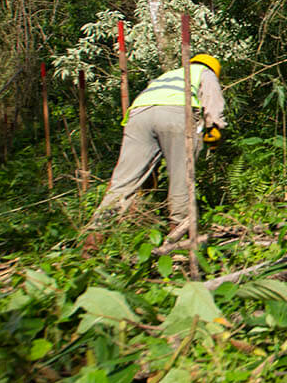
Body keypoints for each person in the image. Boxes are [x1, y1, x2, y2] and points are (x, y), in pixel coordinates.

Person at [85, 54, 226, 242]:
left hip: (139, 115)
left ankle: (94, 237)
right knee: (181, 176)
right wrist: (213, 127)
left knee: (123, 181)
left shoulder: (170, 74)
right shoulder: (205, 73)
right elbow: (212, 102)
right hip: (177, 114)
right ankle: (179, 235)